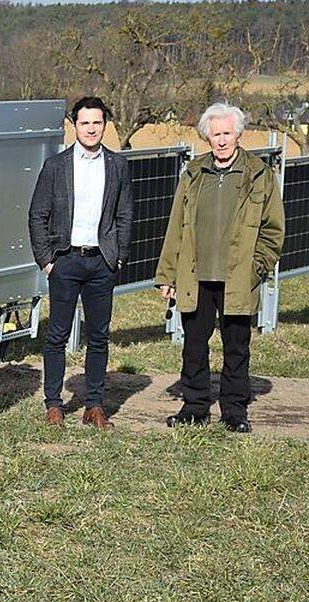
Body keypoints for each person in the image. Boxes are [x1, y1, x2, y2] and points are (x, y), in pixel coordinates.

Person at [155, 102, 284, 433]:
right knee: (193, 346)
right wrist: (167, 274)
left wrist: (257, 269)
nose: (222, 140)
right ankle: (195, 406)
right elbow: (176, 227)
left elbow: (273, 230)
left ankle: (234, 411)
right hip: (196, 276)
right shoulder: (194, 175)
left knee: (237, 347)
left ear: (239, 135)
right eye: (216, 134)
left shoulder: (259, 175)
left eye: (228, 133)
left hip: (238, 278)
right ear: (207, 137)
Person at [27, 96, 134, 428]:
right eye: (85, 122)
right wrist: (47, 261)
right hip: (65, 261)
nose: (91, 129)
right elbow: (37, 216)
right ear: (75, 125)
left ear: (105, 125)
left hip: (101, 262)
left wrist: (117, 258)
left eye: (98, 122)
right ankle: (54, 403)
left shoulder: (117, 166)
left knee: (99, 336)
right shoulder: (56, 166)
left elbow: (125, 215)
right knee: (57, 335)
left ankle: (94, 405)